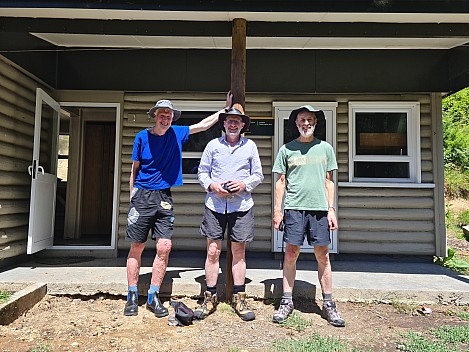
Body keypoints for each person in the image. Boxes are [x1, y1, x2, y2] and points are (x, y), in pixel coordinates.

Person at [124, 93, 232, 317]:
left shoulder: (176, 133)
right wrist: (132, 194)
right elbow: (134, 169)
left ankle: (153, 297)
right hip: (142, 195)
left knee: (164, 247)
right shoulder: (142, 137)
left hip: (164, 196)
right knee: (137, 246)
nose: (165, 119)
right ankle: (132, 296)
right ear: (155, 116)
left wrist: (224, 110)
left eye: (169, 115)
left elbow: (202, 126)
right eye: (162, 115)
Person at [271, 105, 345, 327]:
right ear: (295, 123)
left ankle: (329, 303)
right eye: (302, 119)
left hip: (319, 209)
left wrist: (331, 210)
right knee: (291, 253)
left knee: (323, 255)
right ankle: (286, 301)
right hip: (294, 209)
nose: (306, 123)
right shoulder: (286, 149)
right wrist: (277, 210)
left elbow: (329, 180)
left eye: (310, 120)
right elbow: (280, 181)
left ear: (315, 123)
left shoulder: (325, 149)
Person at [194, 107, 264, 321]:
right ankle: (210, 296)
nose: (233, 125)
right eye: (229, 121)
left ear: (243, 125)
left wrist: (244, 184)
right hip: (215, 205)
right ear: (223, 124)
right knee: (213, 251)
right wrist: (213, 186)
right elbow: (202, 172)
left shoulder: (250, 146)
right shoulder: (212, 145)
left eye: (237, 121)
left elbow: (258, 174)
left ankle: (239, 297)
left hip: (241, 206)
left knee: (239, 251)